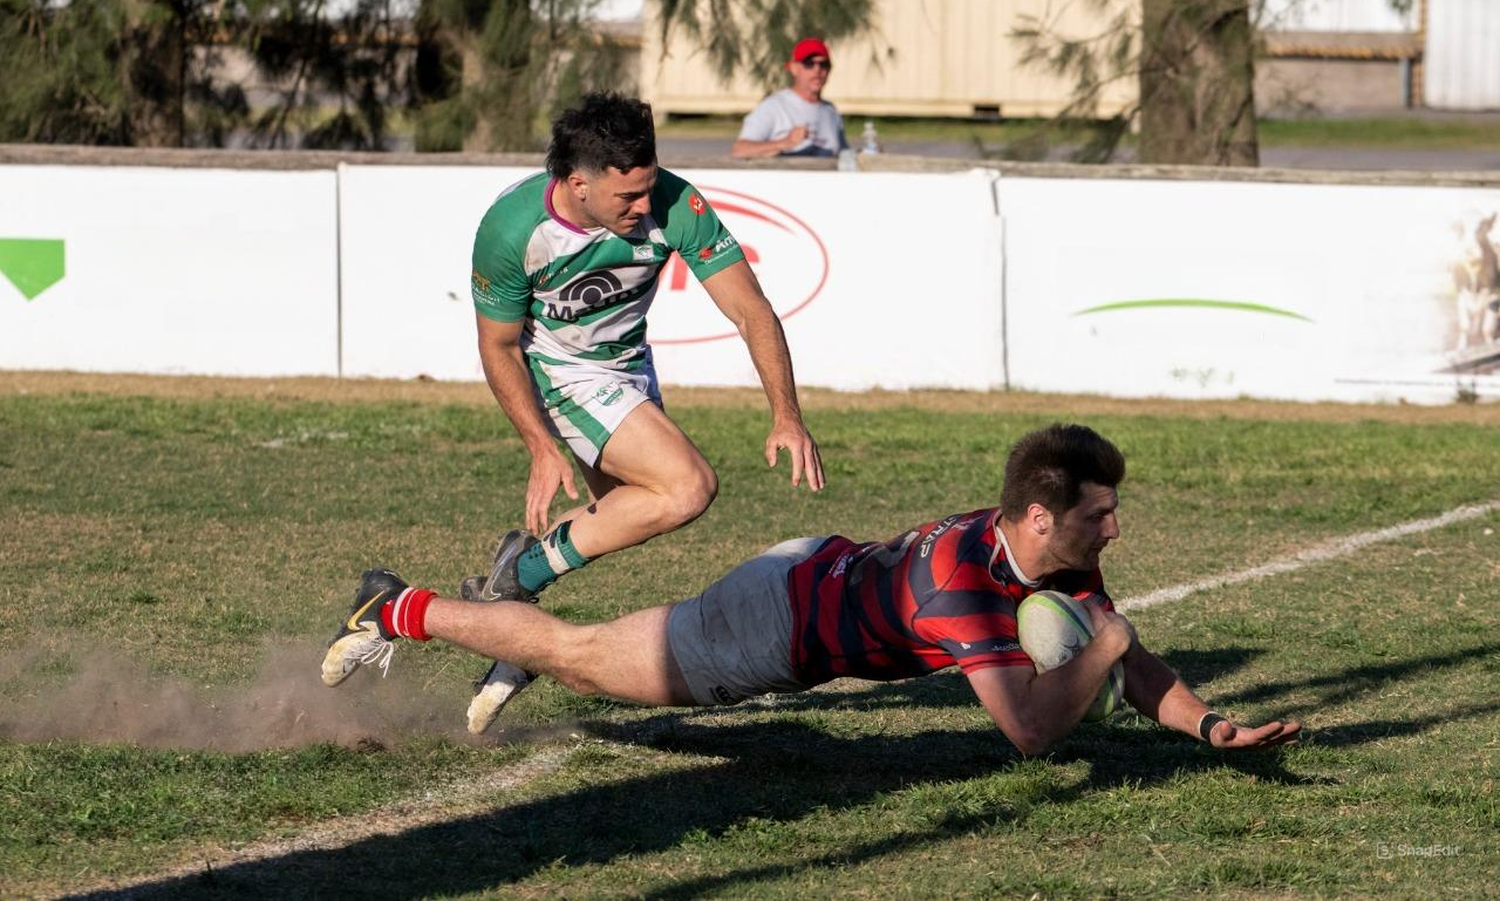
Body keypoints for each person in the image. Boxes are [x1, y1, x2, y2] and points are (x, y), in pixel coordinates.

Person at [322, 424, 1300, 753]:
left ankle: (477, 621)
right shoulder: (963, 588)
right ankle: (395, 603)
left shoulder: (1046, 551)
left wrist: (1213, 728)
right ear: (1041, 518)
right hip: (771, 624)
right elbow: (1035, 732)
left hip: (811, 570)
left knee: (582, 646)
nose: (1114, 529)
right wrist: (1106, 649)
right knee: (581, 656)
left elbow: (1115, 643)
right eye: (1101, 514)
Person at [463, 91, 825, 731]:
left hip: (629, 365)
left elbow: (751, 310)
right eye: (626, 197)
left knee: (628, 508)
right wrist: (541, 446)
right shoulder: (512, 229)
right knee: (687, 487)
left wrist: (786, 415)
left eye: (648, 188)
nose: (642, 206)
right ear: (578, 184)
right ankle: (515, 585)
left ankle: (514, 608)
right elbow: (497, 346)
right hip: (561, 371)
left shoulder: (676, 203)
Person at [731, 38, 848, 159]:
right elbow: (739, 150)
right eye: (809, 64)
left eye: (823, 64)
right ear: (793, 68)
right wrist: (785, 143)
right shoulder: (774, 106)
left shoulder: (830, 111)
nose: (817, 70)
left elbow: (844, 156)